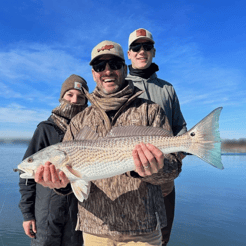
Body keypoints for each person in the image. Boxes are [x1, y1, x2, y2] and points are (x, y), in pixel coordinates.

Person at [34, 41, 183, 246]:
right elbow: (72, 183)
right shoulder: (79, 121)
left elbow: (173, 168)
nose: (107, 71)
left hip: (143, 230)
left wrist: (155, 169)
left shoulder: (152, 111)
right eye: (99, 67)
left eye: (113, 64)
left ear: (124, 67)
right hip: (95, 229)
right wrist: (59, 185)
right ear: (94, 73)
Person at [126, 28, 187, 246]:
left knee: (163, 236)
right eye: (136, 47)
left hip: (165, 178)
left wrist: (175, 160)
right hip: (128, 177)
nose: (141, 51)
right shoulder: (121, 86)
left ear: (153, 52)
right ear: (129, 53)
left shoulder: (168, 88)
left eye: (146, 47)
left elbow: (180, 127)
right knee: (130, 236)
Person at [18, 74, 89, 246]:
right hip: (46, 213)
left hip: (79, 213)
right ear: (61, 97)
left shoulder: (88, 130)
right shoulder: (45, 129)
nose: (74, 101)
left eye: (80, 97)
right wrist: (28, 214)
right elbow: (26, 172)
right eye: (69, 95)